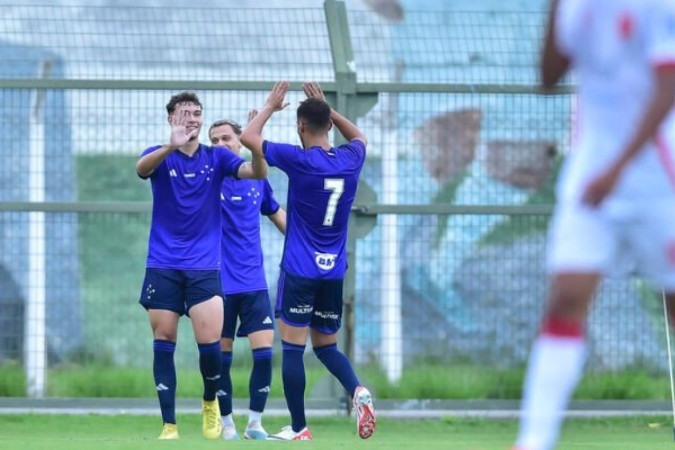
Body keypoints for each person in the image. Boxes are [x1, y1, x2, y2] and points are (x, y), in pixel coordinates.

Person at [513, 1, 675, 449]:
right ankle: (533, 441)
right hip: (590, 180)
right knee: (566, 298)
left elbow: (668, 87)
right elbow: (547, 78)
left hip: (657, 180)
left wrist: (619, 168)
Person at [240, 81, 377, 441]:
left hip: (300, 269)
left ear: (301, 127)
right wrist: (327, 107)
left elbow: (249, 138)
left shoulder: (299, 160)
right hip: (334, 272)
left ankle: (299, 427)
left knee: (293, 349)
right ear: (330, 125)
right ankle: (358, 391)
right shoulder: (351, 159)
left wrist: (271, 106)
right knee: (328, 346)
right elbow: (360, 136)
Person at [136, 91, 269, 440]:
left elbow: (256, 171)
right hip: (163, 264)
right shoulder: (158, 155)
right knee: (163, 338)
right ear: (171, 119)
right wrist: (170, 145)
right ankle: (169, 424)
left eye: (197, 113)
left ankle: (210, 402)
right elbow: (141, 169)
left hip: (204, 267)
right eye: (185, 113)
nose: (192, 118)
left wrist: (255, 143)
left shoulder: (217, 158)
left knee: (210, 346)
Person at [208, 114, 287, 440]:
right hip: (218, 285)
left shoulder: (257, 178)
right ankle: (226, 424)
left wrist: (306, 246)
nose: (220, 145)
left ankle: (255, 422)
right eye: (213, 141)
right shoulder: (208, 178)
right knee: (220, 358)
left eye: (226, 138)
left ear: (240, 141)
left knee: (265, 354)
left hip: (254, 282)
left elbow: (277, 215)